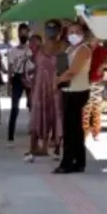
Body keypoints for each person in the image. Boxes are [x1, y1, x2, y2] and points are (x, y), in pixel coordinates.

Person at [54, 20, 93, 174]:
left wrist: (56, 81)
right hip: (68, 90)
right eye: (70, 32)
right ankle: (78, 161)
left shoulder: (83, 49)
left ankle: (68, 163)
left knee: (71, 129)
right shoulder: (70, 48)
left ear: (83, 34)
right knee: (74, 128)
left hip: (78, 91)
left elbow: (73, 71)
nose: (73, 35)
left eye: (77, 32)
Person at [25, 21, 64, 162]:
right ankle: (36, 147)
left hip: (56, 87)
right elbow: (32, 68)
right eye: (48, 28)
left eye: (54, 29)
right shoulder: (39, 49)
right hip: (39, 87)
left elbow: (64, 69)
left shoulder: (63, 48)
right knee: (37, 114)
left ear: (59, 31)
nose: (51, 31)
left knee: (57, 115)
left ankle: (57, 147)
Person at [5, 23, 34, 143]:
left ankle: (34, 131)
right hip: (17, 78)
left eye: (25, 32)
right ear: (18, 34)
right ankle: (10, 135)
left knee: (32, 105)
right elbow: (10, 68)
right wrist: (9, 84)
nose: (23, 34)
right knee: (15, 107)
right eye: (21, 32)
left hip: (30, 77)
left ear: (28, 33)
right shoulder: (13, 51)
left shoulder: (32, 50)